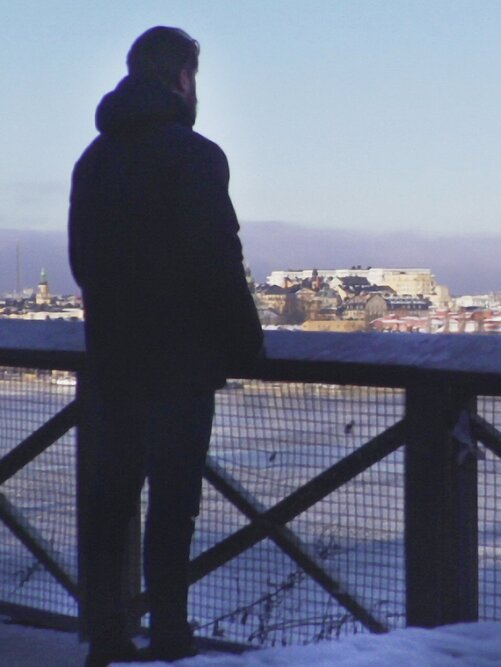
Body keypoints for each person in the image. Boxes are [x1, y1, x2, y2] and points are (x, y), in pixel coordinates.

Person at [68, 27, 263, 666]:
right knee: (172, 504)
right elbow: (217, 258)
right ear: (182, 77)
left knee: (109, 502)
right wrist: (246, 346)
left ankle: (104, 635)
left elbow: (81, 263)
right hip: (179, 362)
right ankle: (171, 638)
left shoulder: (93, 161)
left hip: (111, 360)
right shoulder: (195, 155)